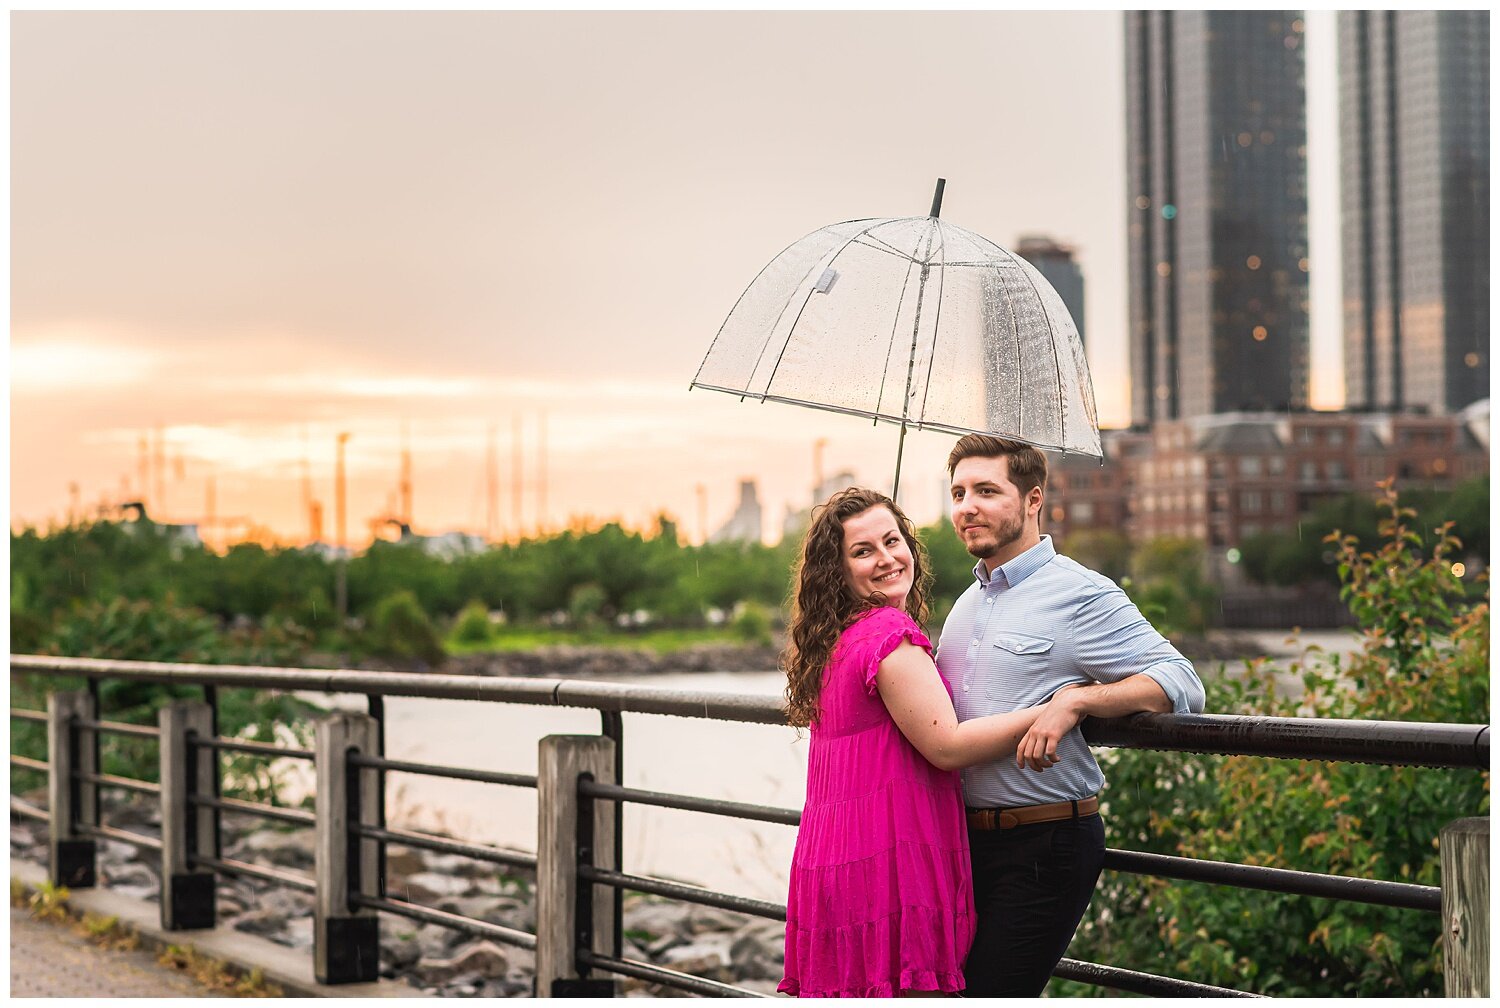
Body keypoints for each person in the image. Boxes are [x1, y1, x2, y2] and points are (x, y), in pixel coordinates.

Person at [936, 434, 1206, 997]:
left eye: (987, 490)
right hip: (958, 845)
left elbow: (1182, 681)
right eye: (958, 492)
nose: (968, 507)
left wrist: (1077, 702)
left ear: (1033, 499)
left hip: (1044, 844)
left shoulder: (1080, 593)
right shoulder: (965, 604)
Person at [778, 487, 1061, 999]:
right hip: (887, 864)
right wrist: (1057, 709)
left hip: (835, 859)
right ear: (837, 571)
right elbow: (947, 746)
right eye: (863, 551)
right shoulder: (888, 632)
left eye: (892, 540)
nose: (887, 558)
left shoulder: (838, 639)